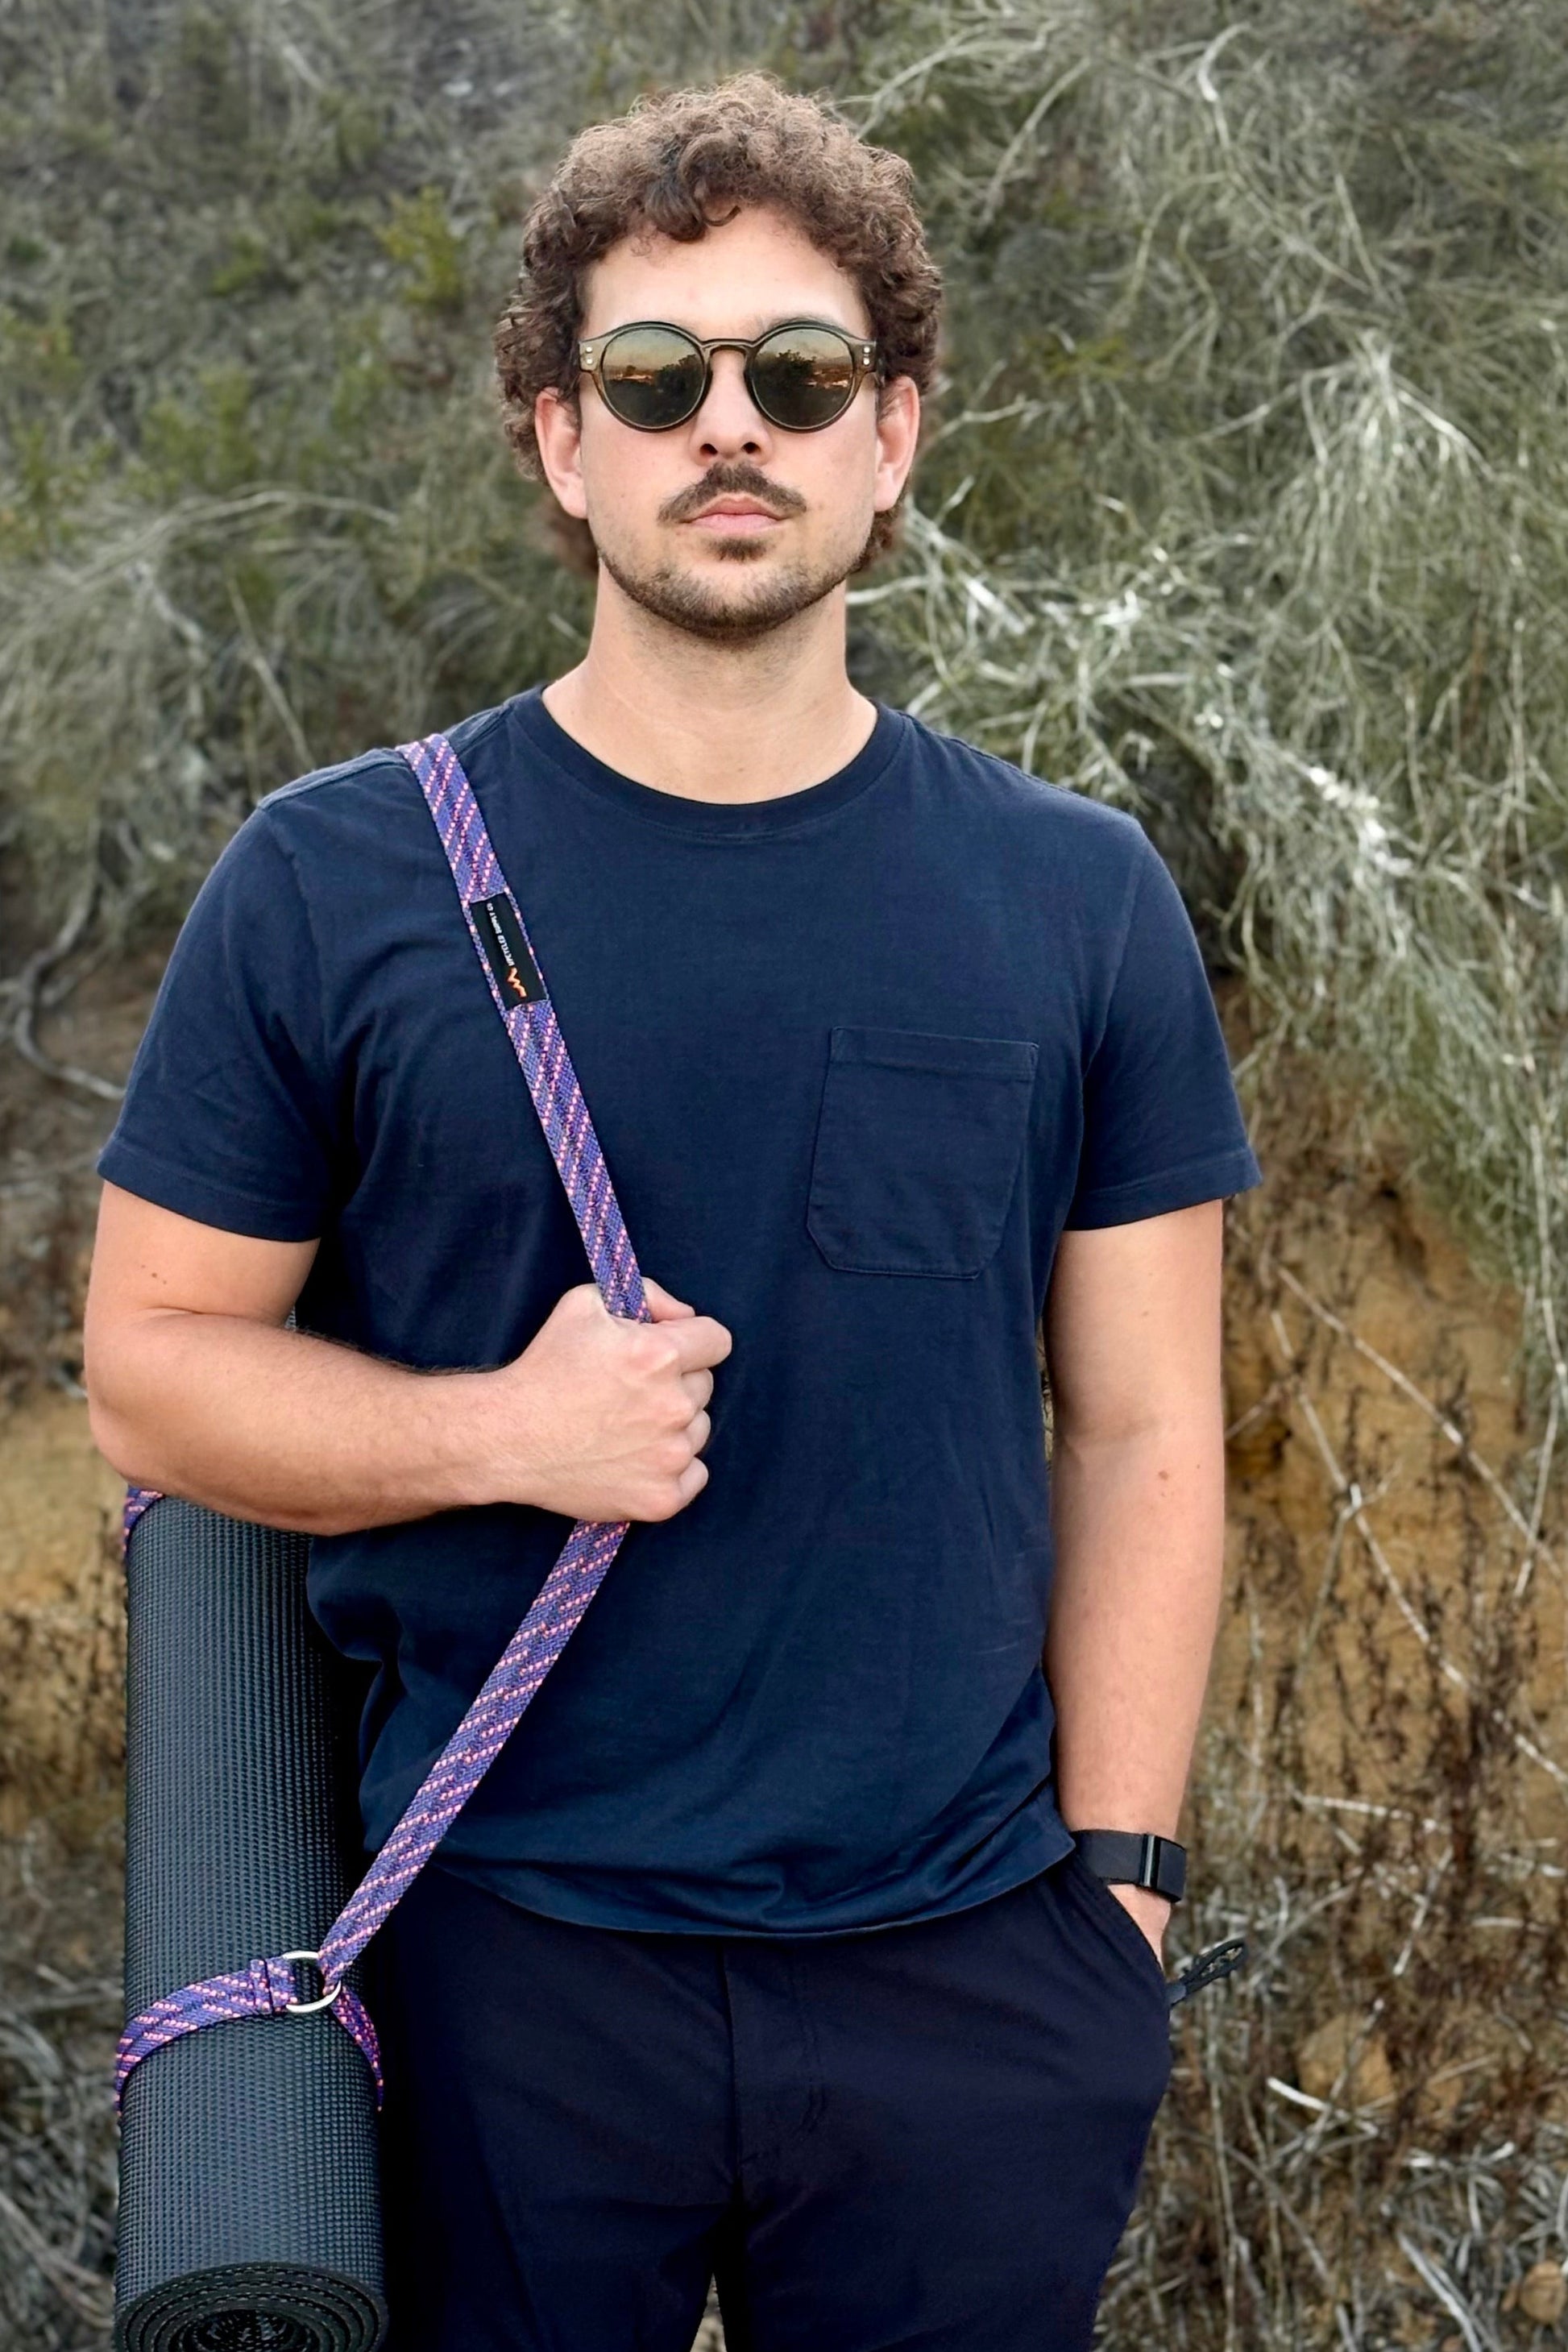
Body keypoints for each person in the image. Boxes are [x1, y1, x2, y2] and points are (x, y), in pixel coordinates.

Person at [85, 70, 1260, 2352]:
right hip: (499, 1968)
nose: (732, 424)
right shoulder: (335, 881)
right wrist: (491, 1439)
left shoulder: (1072, 899)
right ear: (561, 438)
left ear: (891, 433)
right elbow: (149, 1371)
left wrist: (1110, 1903)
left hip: (966, 1979)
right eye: (657, 376)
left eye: (798, 374)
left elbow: (1144, 1432)